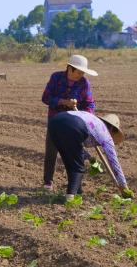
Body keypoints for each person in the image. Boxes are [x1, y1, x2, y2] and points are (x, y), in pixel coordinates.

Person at [40, 54, 97, 189]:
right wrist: (63, 102)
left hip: (74, 124)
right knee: (51, 150)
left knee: (73, 153)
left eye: (83, 72)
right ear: (70, 68)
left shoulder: (84, 83)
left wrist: (86, 115)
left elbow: (90, 104)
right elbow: (46, 98)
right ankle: (48, 182)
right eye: (79, 72)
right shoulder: (56, 78)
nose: (81, 75)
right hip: (55, 121)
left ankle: (75, 185)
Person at [47, 111, 127, 198]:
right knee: (78, 168)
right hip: (73, 125)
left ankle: (78, 191)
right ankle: (70, 197)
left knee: (70, 162)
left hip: (55, 122)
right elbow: (114, 163)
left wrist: (89, 157)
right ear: (112, 129)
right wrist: (124, 187)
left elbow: (75, 146)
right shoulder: (106, 135)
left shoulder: (94, 122)